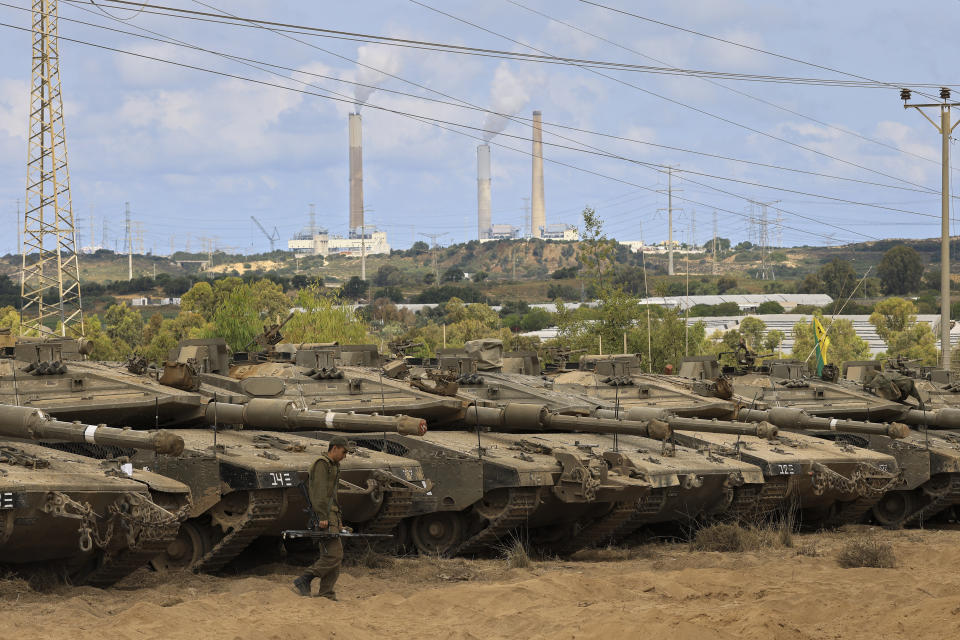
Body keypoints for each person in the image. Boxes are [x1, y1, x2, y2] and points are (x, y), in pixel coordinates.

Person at [293, 435, 349, 600]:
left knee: (333, 556)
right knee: (334, 555)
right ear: (335, 448)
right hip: (323, 514)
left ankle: (326, 592)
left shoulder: (334, 465)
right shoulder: (321, 464)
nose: (345, 456)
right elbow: (318, 493)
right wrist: (322, 516)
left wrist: (338, 520)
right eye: (344, 452)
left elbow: (332, 496)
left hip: (331, 514)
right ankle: (305, 578)